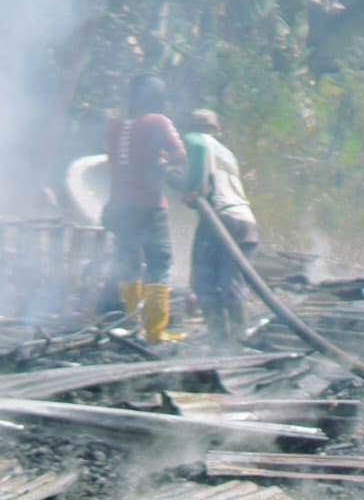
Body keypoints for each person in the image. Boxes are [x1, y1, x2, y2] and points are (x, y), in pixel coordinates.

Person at [102, 73, 186, 342]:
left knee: (128, 262)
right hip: (149, 204)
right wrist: (164, 162)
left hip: (118, 204)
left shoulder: (115, 126)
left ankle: (130, 324)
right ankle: (153, 332)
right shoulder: (158, 122)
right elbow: (179, 154)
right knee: (159, 262)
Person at [178, 109, 258, 348]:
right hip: (246, 221)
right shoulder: (227, 153)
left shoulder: (198, 140)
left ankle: (218, 339)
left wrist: (190, 189)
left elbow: (199, 148)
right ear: (217, 128)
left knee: (204, 279)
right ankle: (238, 341)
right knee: (233, 281)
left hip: (220, 219)